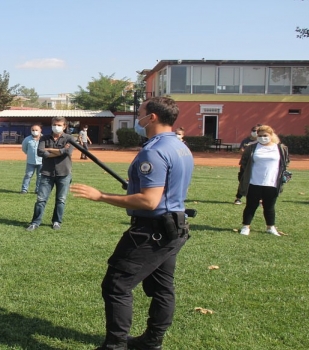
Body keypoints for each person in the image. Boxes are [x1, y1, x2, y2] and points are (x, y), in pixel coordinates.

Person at [70, 96, 194, 350]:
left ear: (153, 117)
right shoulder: (180, 146)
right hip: (174, 227)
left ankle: (115, 346)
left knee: (116, 284)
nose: (139, 117)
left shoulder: (154, 150)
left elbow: (149, 201)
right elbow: (164, 188)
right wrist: (135, 186)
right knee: (161, 286)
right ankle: (152, 342)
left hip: (153, 231)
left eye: (141, 113)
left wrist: (101, 196)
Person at [237, 125, 289, 236]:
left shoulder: (280, 148)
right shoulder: (252, 148)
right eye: (260, 136)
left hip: (272, 183)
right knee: (251, 205)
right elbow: (244, 162)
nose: (262, 138)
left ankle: (270, 227)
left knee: (269, 206)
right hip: (254, 181)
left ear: (271, 135)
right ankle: (246, 227)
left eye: (265, 135)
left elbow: (285, 162)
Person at [26, 117, 74, 231]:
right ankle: (35, 222)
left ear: (64, 126)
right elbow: (41, 152)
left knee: (61, 200)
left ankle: (56, 221)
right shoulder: (44, 138)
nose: (56, 127)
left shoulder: (69, 138)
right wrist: (61, 151)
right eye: (54, 124)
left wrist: (50, 150)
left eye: (59, 125)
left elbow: (68, 152)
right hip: (47, 173)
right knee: (41, 199)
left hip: (64, 173)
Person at [234, 124, 261, 204]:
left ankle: (259, 200)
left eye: (257, 131)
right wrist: (248, 150)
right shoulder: (246, 141)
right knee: (243, 181)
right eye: (253, 130)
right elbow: (241, 150)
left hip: (256, 165)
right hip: (245, 164)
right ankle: (238, 198)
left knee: (258, 182)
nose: (255, 132)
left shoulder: (261, 142)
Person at [20, 124, 43, 194]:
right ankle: (24, 189)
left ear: (40, 130)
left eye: (36, 130)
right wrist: (30, 154)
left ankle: (38, 190)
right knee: (28, 175)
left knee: (40, 176)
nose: (34, 131)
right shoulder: (27, 139)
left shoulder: (44, 138)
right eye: (33, 130)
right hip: (30, 161)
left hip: (41, 161)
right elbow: (24, 148)